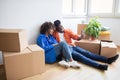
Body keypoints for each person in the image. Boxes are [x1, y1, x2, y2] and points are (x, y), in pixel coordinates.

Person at [53, 20, 119, 71]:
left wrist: (81, 36)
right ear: (56, 28)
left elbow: (75, 37)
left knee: (88, 53)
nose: (61, 28)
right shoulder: (54, 34)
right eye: (59, 27)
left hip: (73, 46)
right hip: (68, 50)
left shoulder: (67, 31)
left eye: (61, 26)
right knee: (81, 57)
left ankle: (107, 60)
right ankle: (99, 66)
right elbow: (56, 45)